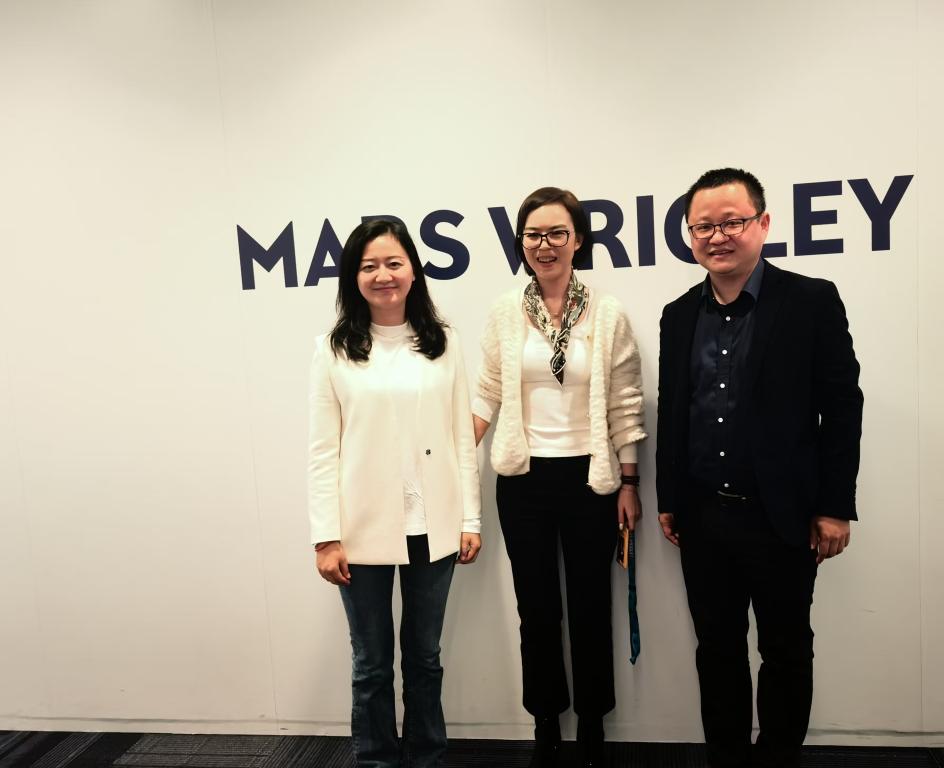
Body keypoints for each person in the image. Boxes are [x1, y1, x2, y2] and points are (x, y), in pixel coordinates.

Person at [656, 168, 863, 768]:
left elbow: (841, 408)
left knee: (786, 650)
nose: (717, 236)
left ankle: (778, 758)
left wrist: (834, 506)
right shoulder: (678, 314)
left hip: (782, 516)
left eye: (732, 222)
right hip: (703, 517)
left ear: (763, 223)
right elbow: (674, 410)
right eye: (703, 227)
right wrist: (670, 497)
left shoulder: (810, 301)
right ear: (689, 236)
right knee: (716, 650)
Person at [473, 187, 646, 768]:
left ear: (577, 240)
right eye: (533, 235)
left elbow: (625, 402)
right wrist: (452, 452)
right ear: (520, 242)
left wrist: (629, 482)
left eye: (556, 233)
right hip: (523, 481)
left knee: (591, 605)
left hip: (590, 481)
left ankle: (593, 721)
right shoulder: (505, 311)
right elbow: (489, 391)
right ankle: (546, 718)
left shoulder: (607, 312)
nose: (543, 245)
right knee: (537, 607)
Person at [307, 219, 482, 768]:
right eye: (369, 266)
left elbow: (460, 437)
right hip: (361, 532)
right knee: (371, 664)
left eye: (393, 263)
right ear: (353, 277)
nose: (383, 275)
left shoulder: (444, 342)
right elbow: (322, 451)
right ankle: (376, 759)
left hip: (434, 526)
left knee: (425, 659)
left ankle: (428, 757)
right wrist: (326, 537)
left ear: (413, 270)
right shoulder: (332, 350)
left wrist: (470, 519)